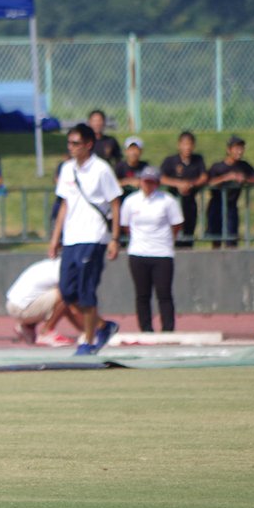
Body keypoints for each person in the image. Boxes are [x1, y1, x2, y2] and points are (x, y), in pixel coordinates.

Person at [49, 124, 122, 355]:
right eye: (69, 143)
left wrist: (115, 238)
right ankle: (103, 326)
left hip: (93, 236)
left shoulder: (101, 169)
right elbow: (64, 204)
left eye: (75, 143)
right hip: (71, 238)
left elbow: (115, 203)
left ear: (88, 144)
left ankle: (88, 342)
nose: (71, 147)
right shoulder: (67, 169)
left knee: (86, 291)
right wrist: (55, 238)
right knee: (67, 291)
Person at [119, 166, 183, 332]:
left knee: (164, 293)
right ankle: (146, 329)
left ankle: (168, 329)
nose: (148, 185)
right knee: (142, 294)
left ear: (157, 183)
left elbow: (176, 224)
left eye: (152, 182)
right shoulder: (131, 201)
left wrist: (167, 240)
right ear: (140, 182)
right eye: (145, 181)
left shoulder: (167, 201)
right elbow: (126, 225)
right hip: (138, 252)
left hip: (162, 253)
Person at [4, 258, 80, 347]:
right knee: (65, 296)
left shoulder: (53, 264)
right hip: (22, 308)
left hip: (12, 304)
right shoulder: (65, 271)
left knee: (52, 296)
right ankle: (46, 332)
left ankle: (27, 326)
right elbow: (72, 306)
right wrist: (86, 329)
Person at [206, 135, 254, 248]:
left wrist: (245, 179)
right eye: (236, 148)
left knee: (232, 239)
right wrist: (226, 178)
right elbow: (209, 182)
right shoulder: (217, 166)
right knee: (216, 239)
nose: (240, 151)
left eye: (241, 148)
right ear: (228, 150)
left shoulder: (244, 166)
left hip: (231, 207)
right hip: (216, 206)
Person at [159, 131, 207, 249]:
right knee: (172, 232)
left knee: (188, 232)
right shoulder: (170, 161)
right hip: (173, 203)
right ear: (179, 145)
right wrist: (178, 184)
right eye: (185, 144)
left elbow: (204, 177)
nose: (187, 147)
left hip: (189, 203)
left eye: (190, 144)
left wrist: (190, 184)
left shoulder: (198, 159)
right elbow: (161, 178)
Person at [115, 136, 150, 201]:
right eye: (131, 149)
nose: (133, 153)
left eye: (136, 149)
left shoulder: (145, 166)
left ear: (141, 151)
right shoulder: (119, 166)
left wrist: (140, 182)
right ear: (126, 151)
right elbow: (112, 184)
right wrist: (128, 182)